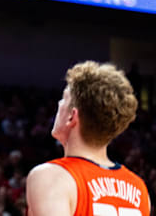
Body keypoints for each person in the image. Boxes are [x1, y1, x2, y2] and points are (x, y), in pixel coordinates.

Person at [27, 61, 151, 215]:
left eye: (64, 98)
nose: (59, 104)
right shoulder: (139, 188)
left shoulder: (51, 177)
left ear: (72, 116)